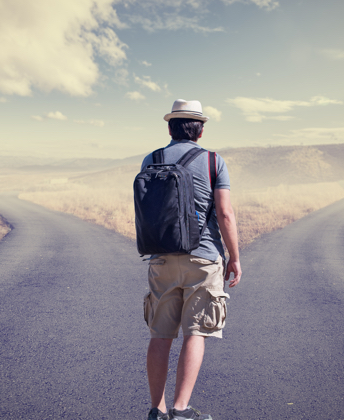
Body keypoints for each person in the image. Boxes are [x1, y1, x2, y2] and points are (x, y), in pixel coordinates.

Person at [141, 99, 242, 420]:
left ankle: (156, 411)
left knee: (160, 335)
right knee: (195, 332)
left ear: (170, 128)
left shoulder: (151, 159)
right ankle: (180, 410)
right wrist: (235, 258)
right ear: (200, 130)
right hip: (203, 257)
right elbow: (225, 213)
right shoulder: (214, 162)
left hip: (160, 257)